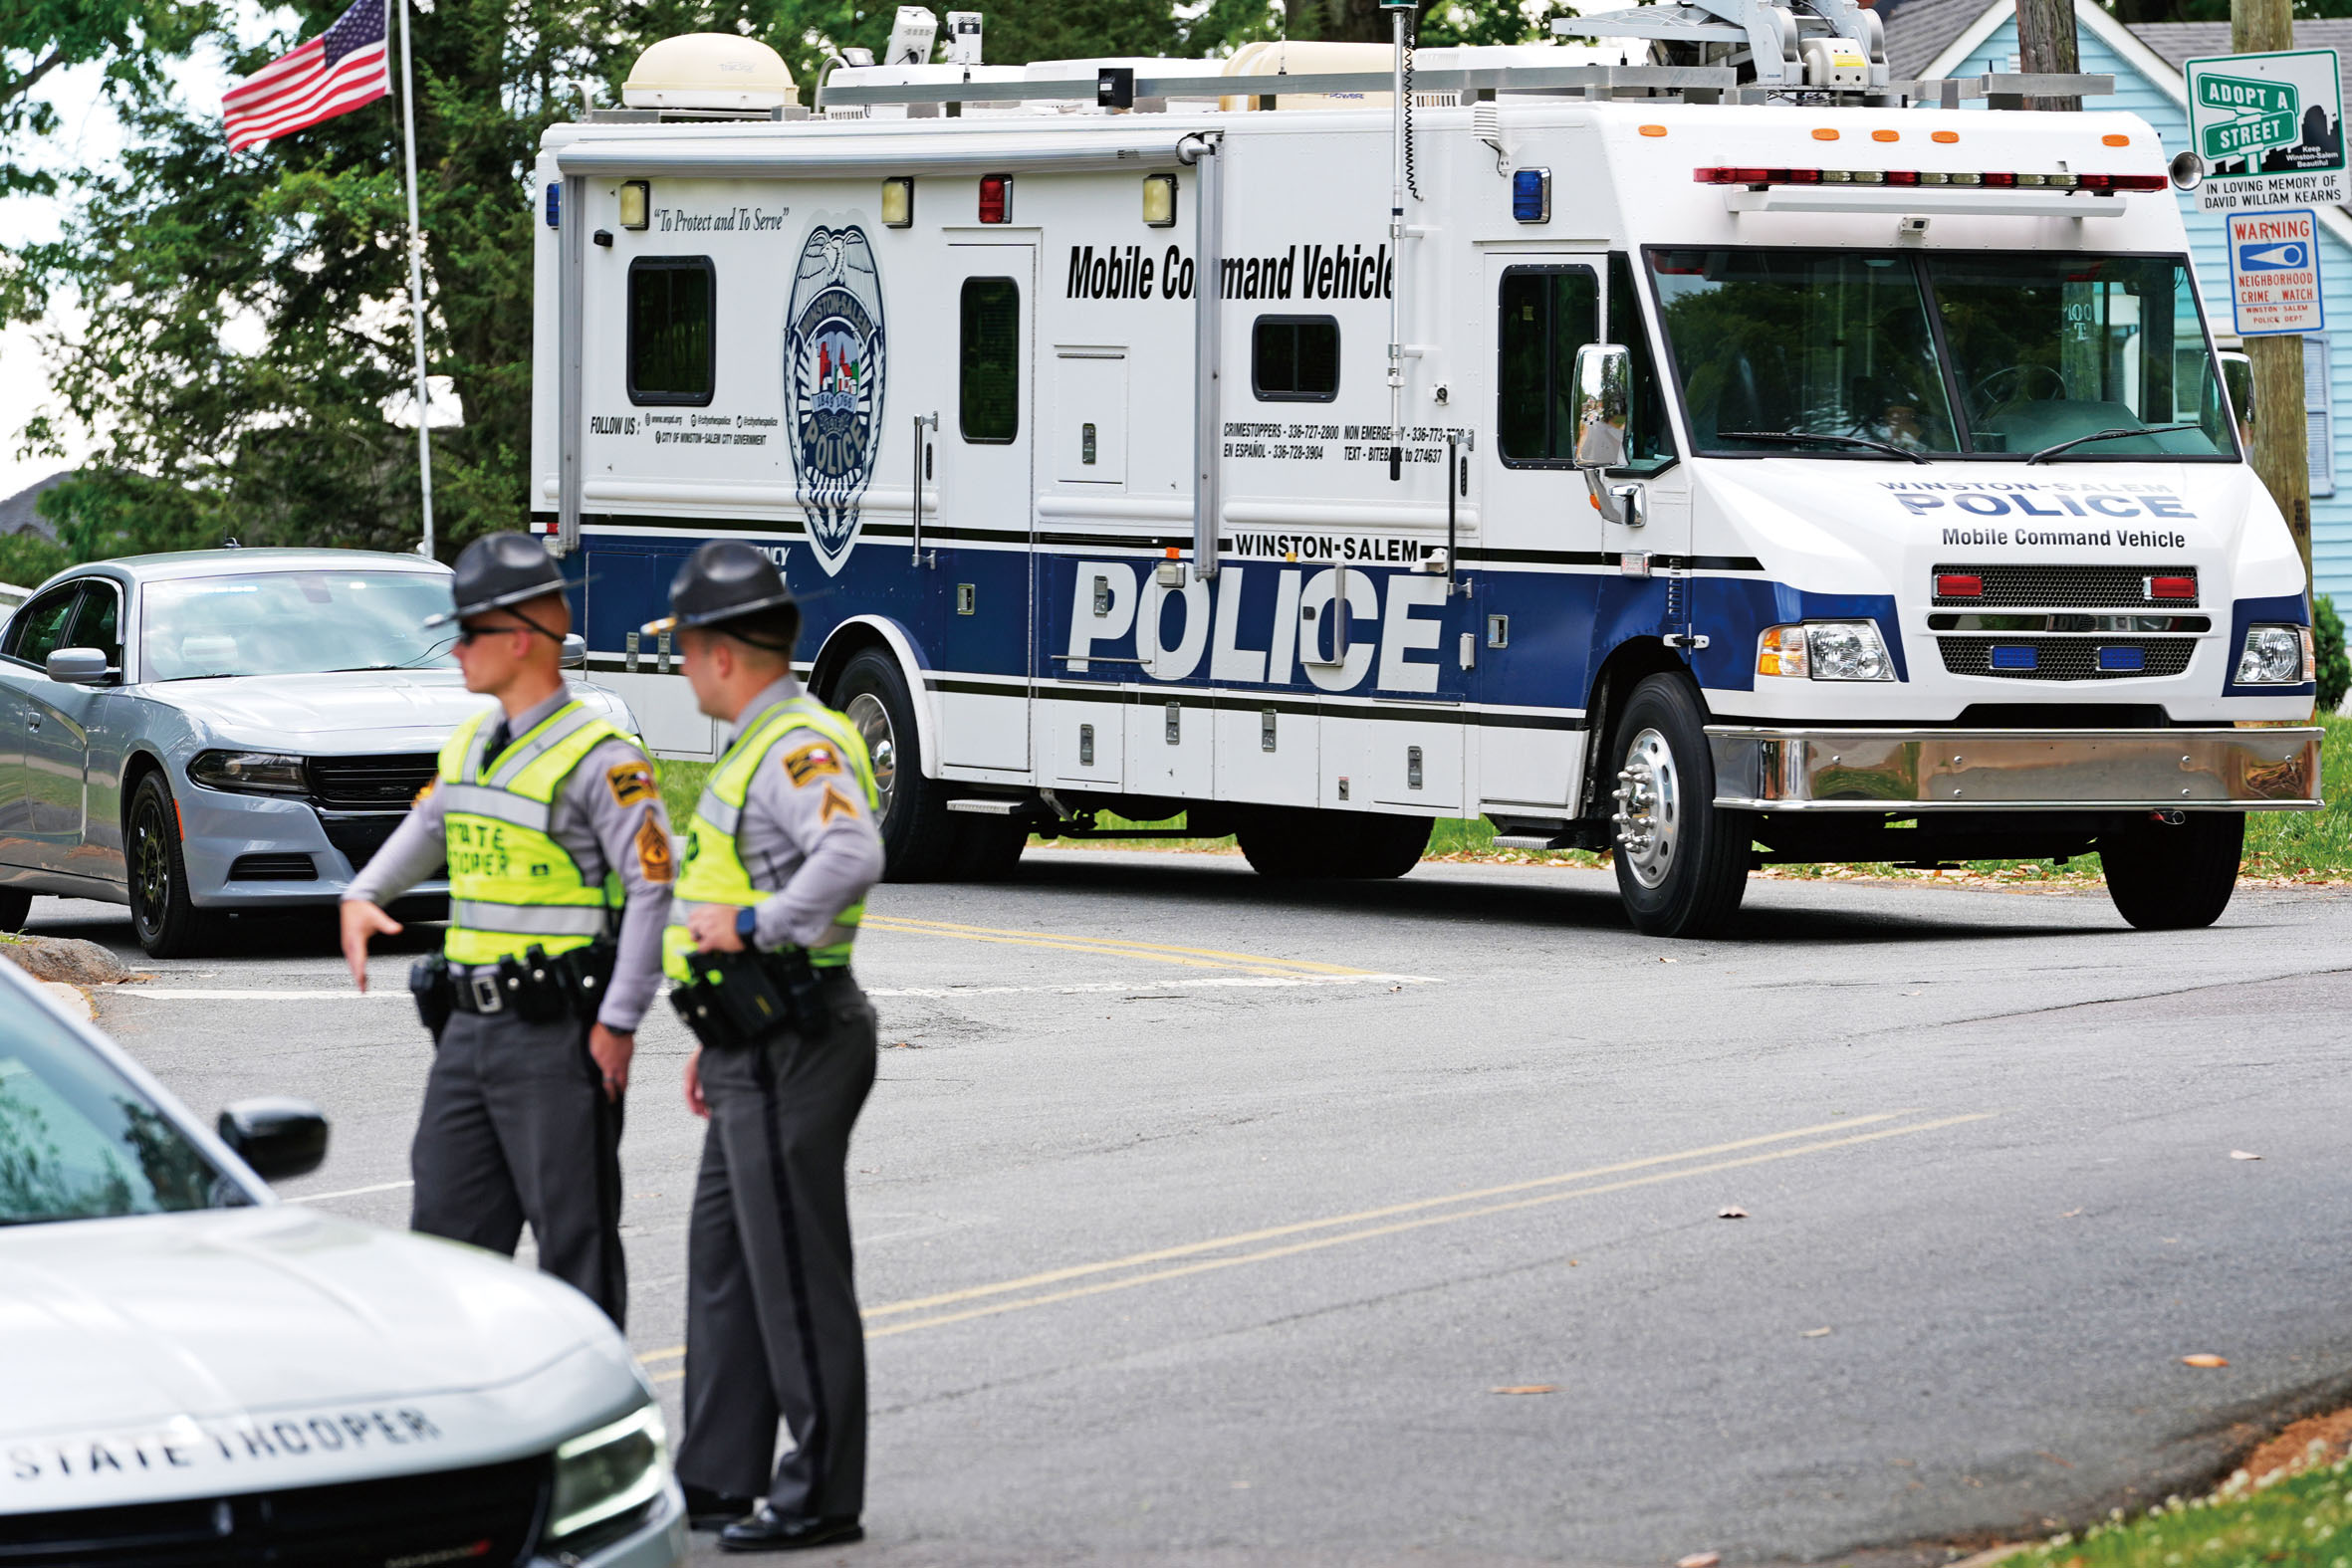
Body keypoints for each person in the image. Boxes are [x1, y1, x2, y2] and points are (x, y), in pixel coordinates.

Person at [339, 532, 673, 1327]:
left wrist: (620, 1023)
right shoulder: (472, 742)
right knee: (446, 1247)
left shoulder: (600, 756)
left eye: (468, 632)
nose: (454, 650)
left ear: (520, 638)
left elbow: (653, 888)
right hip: (466, 1038)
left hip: (558, 1038)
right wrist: (363, 892)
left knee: (574, 1250)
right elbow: (429, 824)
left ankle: (586, 1436)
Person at [656, 541, 885, 1553]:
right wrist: (716, 1035)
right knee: (727, 1259)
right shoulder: (758, 743)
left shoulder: (798, 744)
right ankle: (715, 1476)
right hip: (751, 1037)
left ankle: (822, 1491)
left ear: (719, 652)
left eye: (684, 647)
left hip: (799, 1035)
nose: (678, 665)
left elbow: (851, 853)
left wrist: (753, 931)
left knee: (791, 1267)